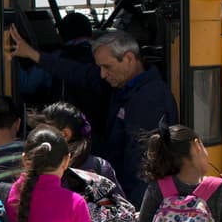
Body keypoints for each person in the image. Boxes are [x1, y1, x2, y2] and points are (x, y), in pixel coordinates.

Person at [9, 26, 176, 206]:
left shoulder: (150, 98)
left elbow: (142, 164)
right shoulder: (123, 84)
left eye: (107, 67)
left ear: (128, 58)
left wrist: (133, 208)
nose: (103, 75)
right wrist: (32, 54)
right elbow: (78, 73)